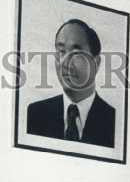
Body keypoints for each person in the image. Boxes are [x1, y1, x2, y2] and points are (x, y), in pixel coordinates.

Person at [26, 19, 115, 148]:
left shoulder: (114, 121)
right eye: (61, 52)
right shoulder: (36, 115)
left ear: (96, 63)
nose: (65, 63)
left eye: (76, 53)